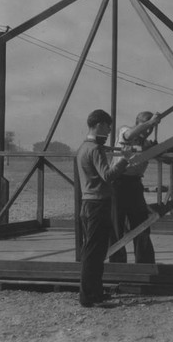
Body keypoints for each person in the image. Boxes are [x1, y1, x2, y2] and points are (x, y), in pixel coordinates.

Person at [76, 109, 131, 308]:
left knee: (96, 251)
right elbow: (107, 175)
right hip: (98, 204)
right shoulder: (95, 149)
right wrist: (124, 159)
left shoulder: (83, 147)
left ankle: (95, 292)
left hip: (88, 203)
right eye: (108, 126)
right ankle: (87, 296)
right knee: (93, 252)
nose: (109, 131)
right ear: (99, 124)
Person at [109, 111, 161, 264]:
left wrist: (168, 146)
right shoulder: (124, 131)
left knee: (141, 224)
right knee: (116, 225)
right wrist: (151, 123)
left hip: (135, 184)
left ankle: (144, 263)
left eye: (150, 129)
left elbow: (166, 159)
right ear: (137, 123)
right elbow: (130, 135)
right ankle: (117, 263)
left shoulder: (146, 145)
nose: (147, 131)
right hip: (117, 183)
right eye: (145, 127)